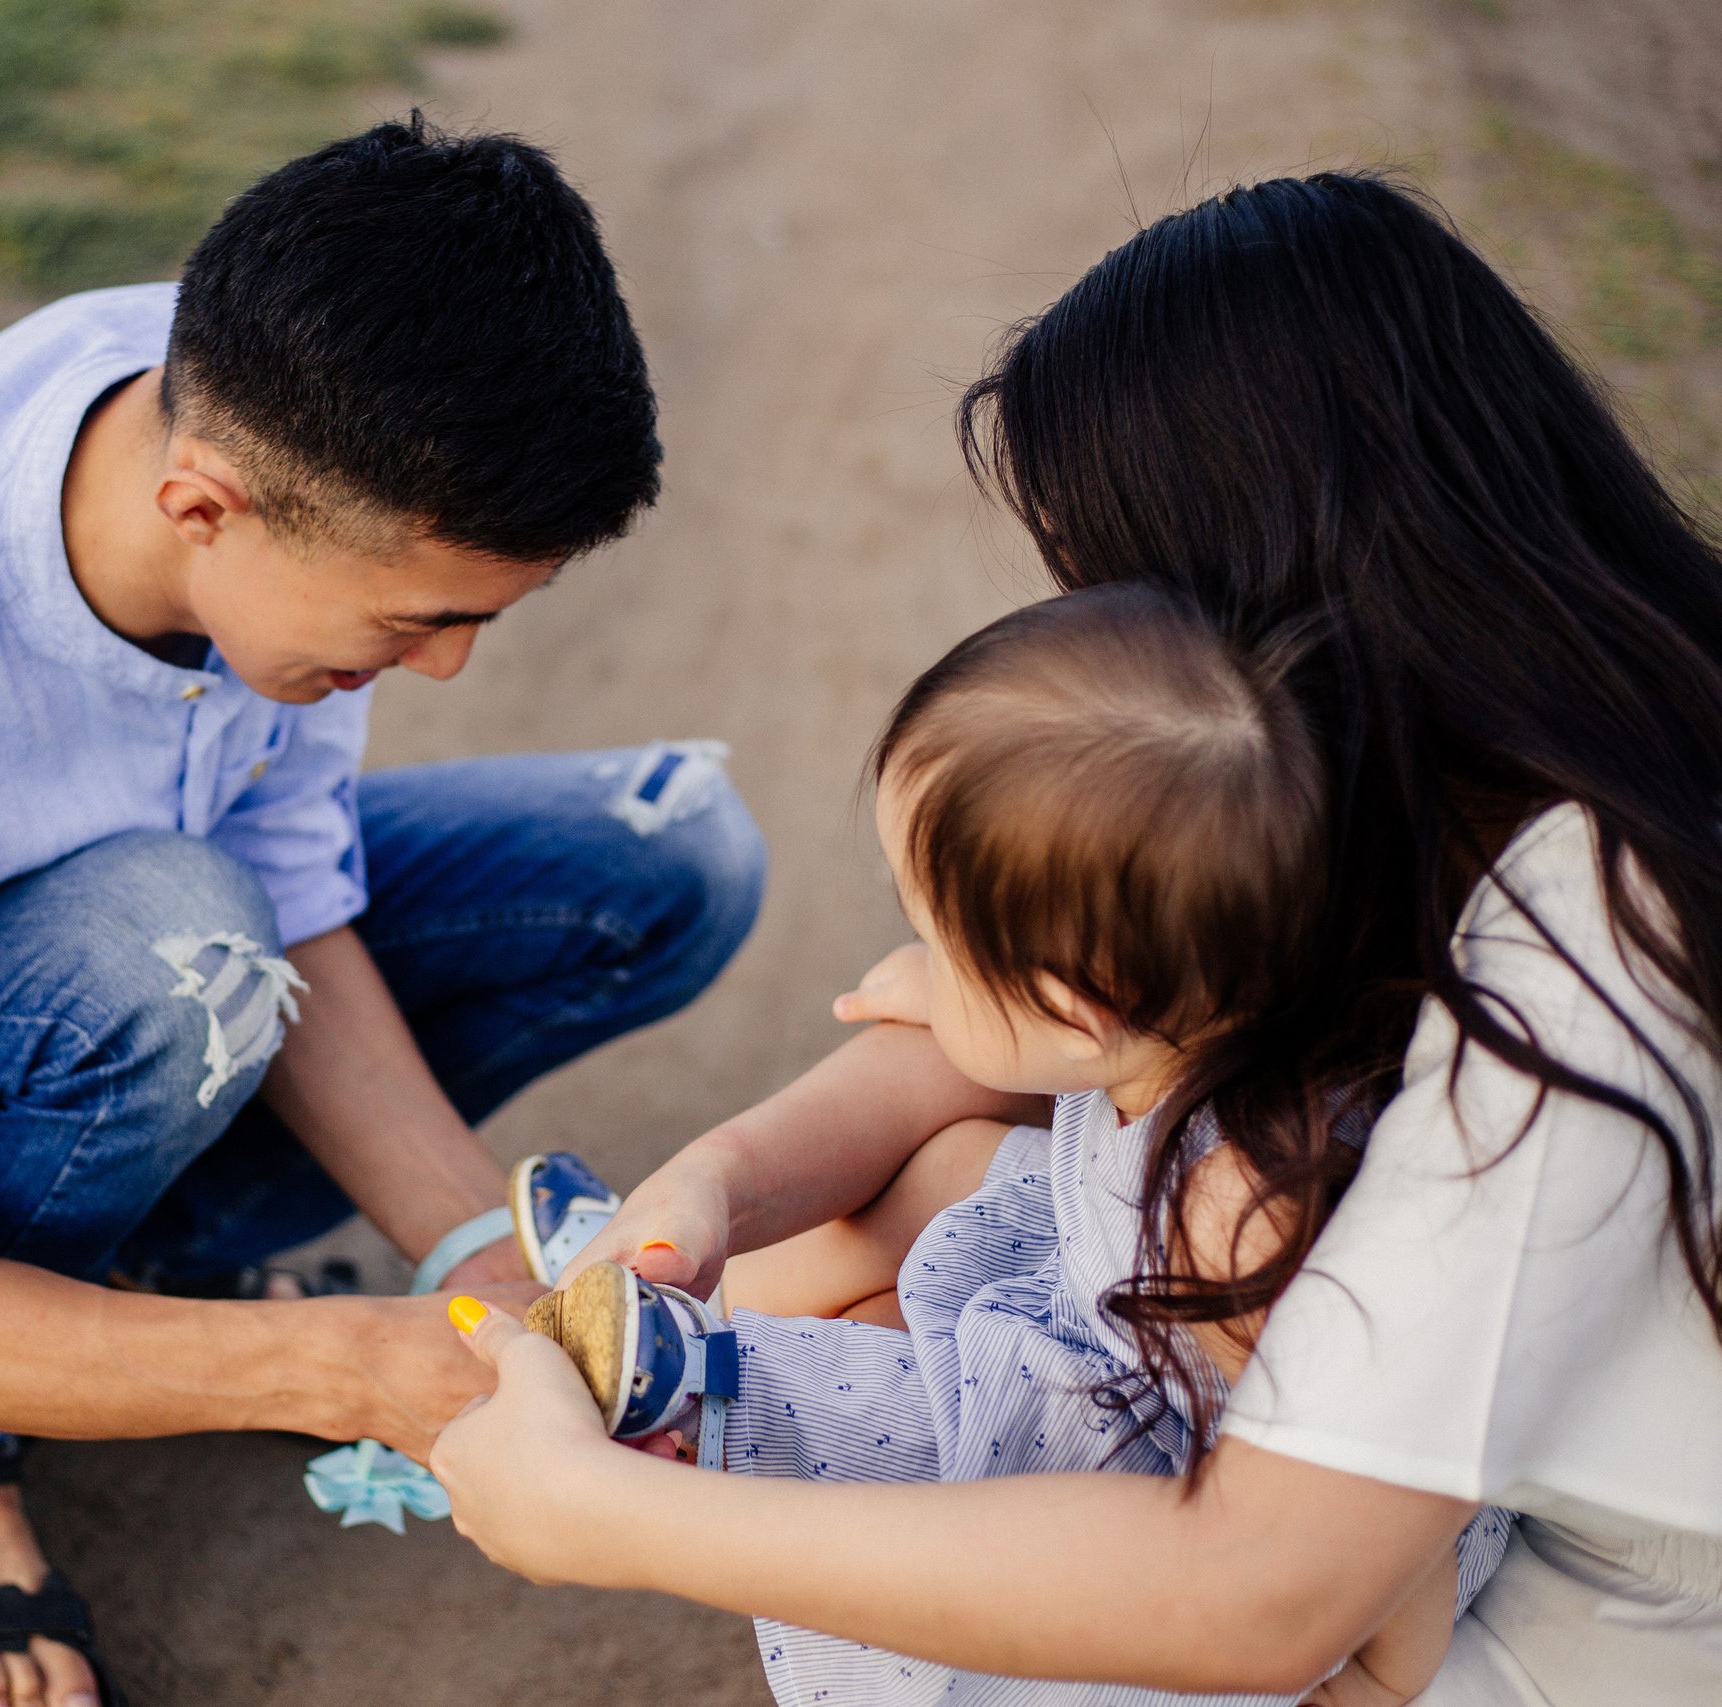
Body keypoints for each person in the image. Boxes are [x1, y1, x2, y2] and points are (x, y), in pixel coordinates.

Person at [0, 118, 767, 1707]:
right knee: (177, 948)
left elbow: (298, 888)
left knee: (673, 855)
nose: (448, 665)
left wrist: (472, 1265)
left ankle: (98, 1292)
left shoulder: (259, 405)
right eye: (419, 620)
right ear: (205, 504)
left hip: (134, 947)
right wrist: (342, 1366)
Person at [429, 170, 1722, 1705]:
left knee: (932, 1244)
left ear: (1267, 572)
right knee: (945, 1188)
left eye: (1106, 570)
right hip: (1374, 1495)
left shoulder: (1579, 963)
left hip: (1564, 1635)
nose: (1096, 624)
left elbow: (1267, 1594)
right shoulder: (1475, 773)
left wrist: (614, 1518)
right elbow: (985, 1046)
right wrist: (715, 1179)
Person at [510, 583, 1513, 1705]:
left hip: (1199, 1491)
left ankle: (696, 1382)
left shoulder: (1240, 1221)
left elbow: (1379, 1467)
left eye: (938, 936)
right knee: (936, 1181)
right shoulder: (1197, 1021)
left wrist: (1381, 1675)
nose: (916, 954)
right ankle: (657, 1303)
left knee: (900, 1425)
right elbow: (990, 1068)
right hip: (1111, 1295)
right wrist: (948, 998)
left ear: (1075, 1008)